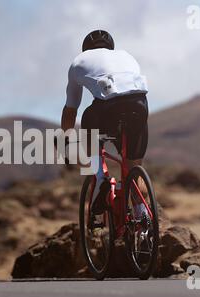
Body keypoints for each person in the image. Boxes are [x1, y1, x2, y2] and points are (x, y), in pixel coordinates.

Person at [60, 30, 149, 216]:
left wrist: (65, 140)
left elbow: (70, 110)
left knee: (87, 118)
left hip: (108, 109)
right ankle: (143, 218)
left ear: (85, 49)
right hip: (140, 105)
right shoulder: (126, 55)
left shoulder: (79, 61)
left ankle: (101, 178)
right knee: (134, 167)